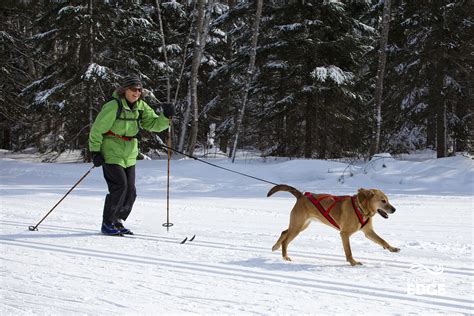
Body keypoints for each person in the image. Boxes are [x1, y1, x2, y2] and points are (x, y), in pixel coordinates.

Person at [88, 75, 174, 235]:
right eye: (133, 89)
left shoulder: (141, 106)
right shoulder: (113, 106)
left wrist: (165, 117)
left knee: (131, 191)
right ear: (125, 90)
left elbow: (154, 125)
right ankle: (107, 223)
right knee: (120, 186)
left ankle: (117, 220)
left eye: (139, 90)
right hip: (111, 150)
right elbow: (97, 129)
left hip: (129, 153)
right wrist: (95, 151)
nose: (137, 93)